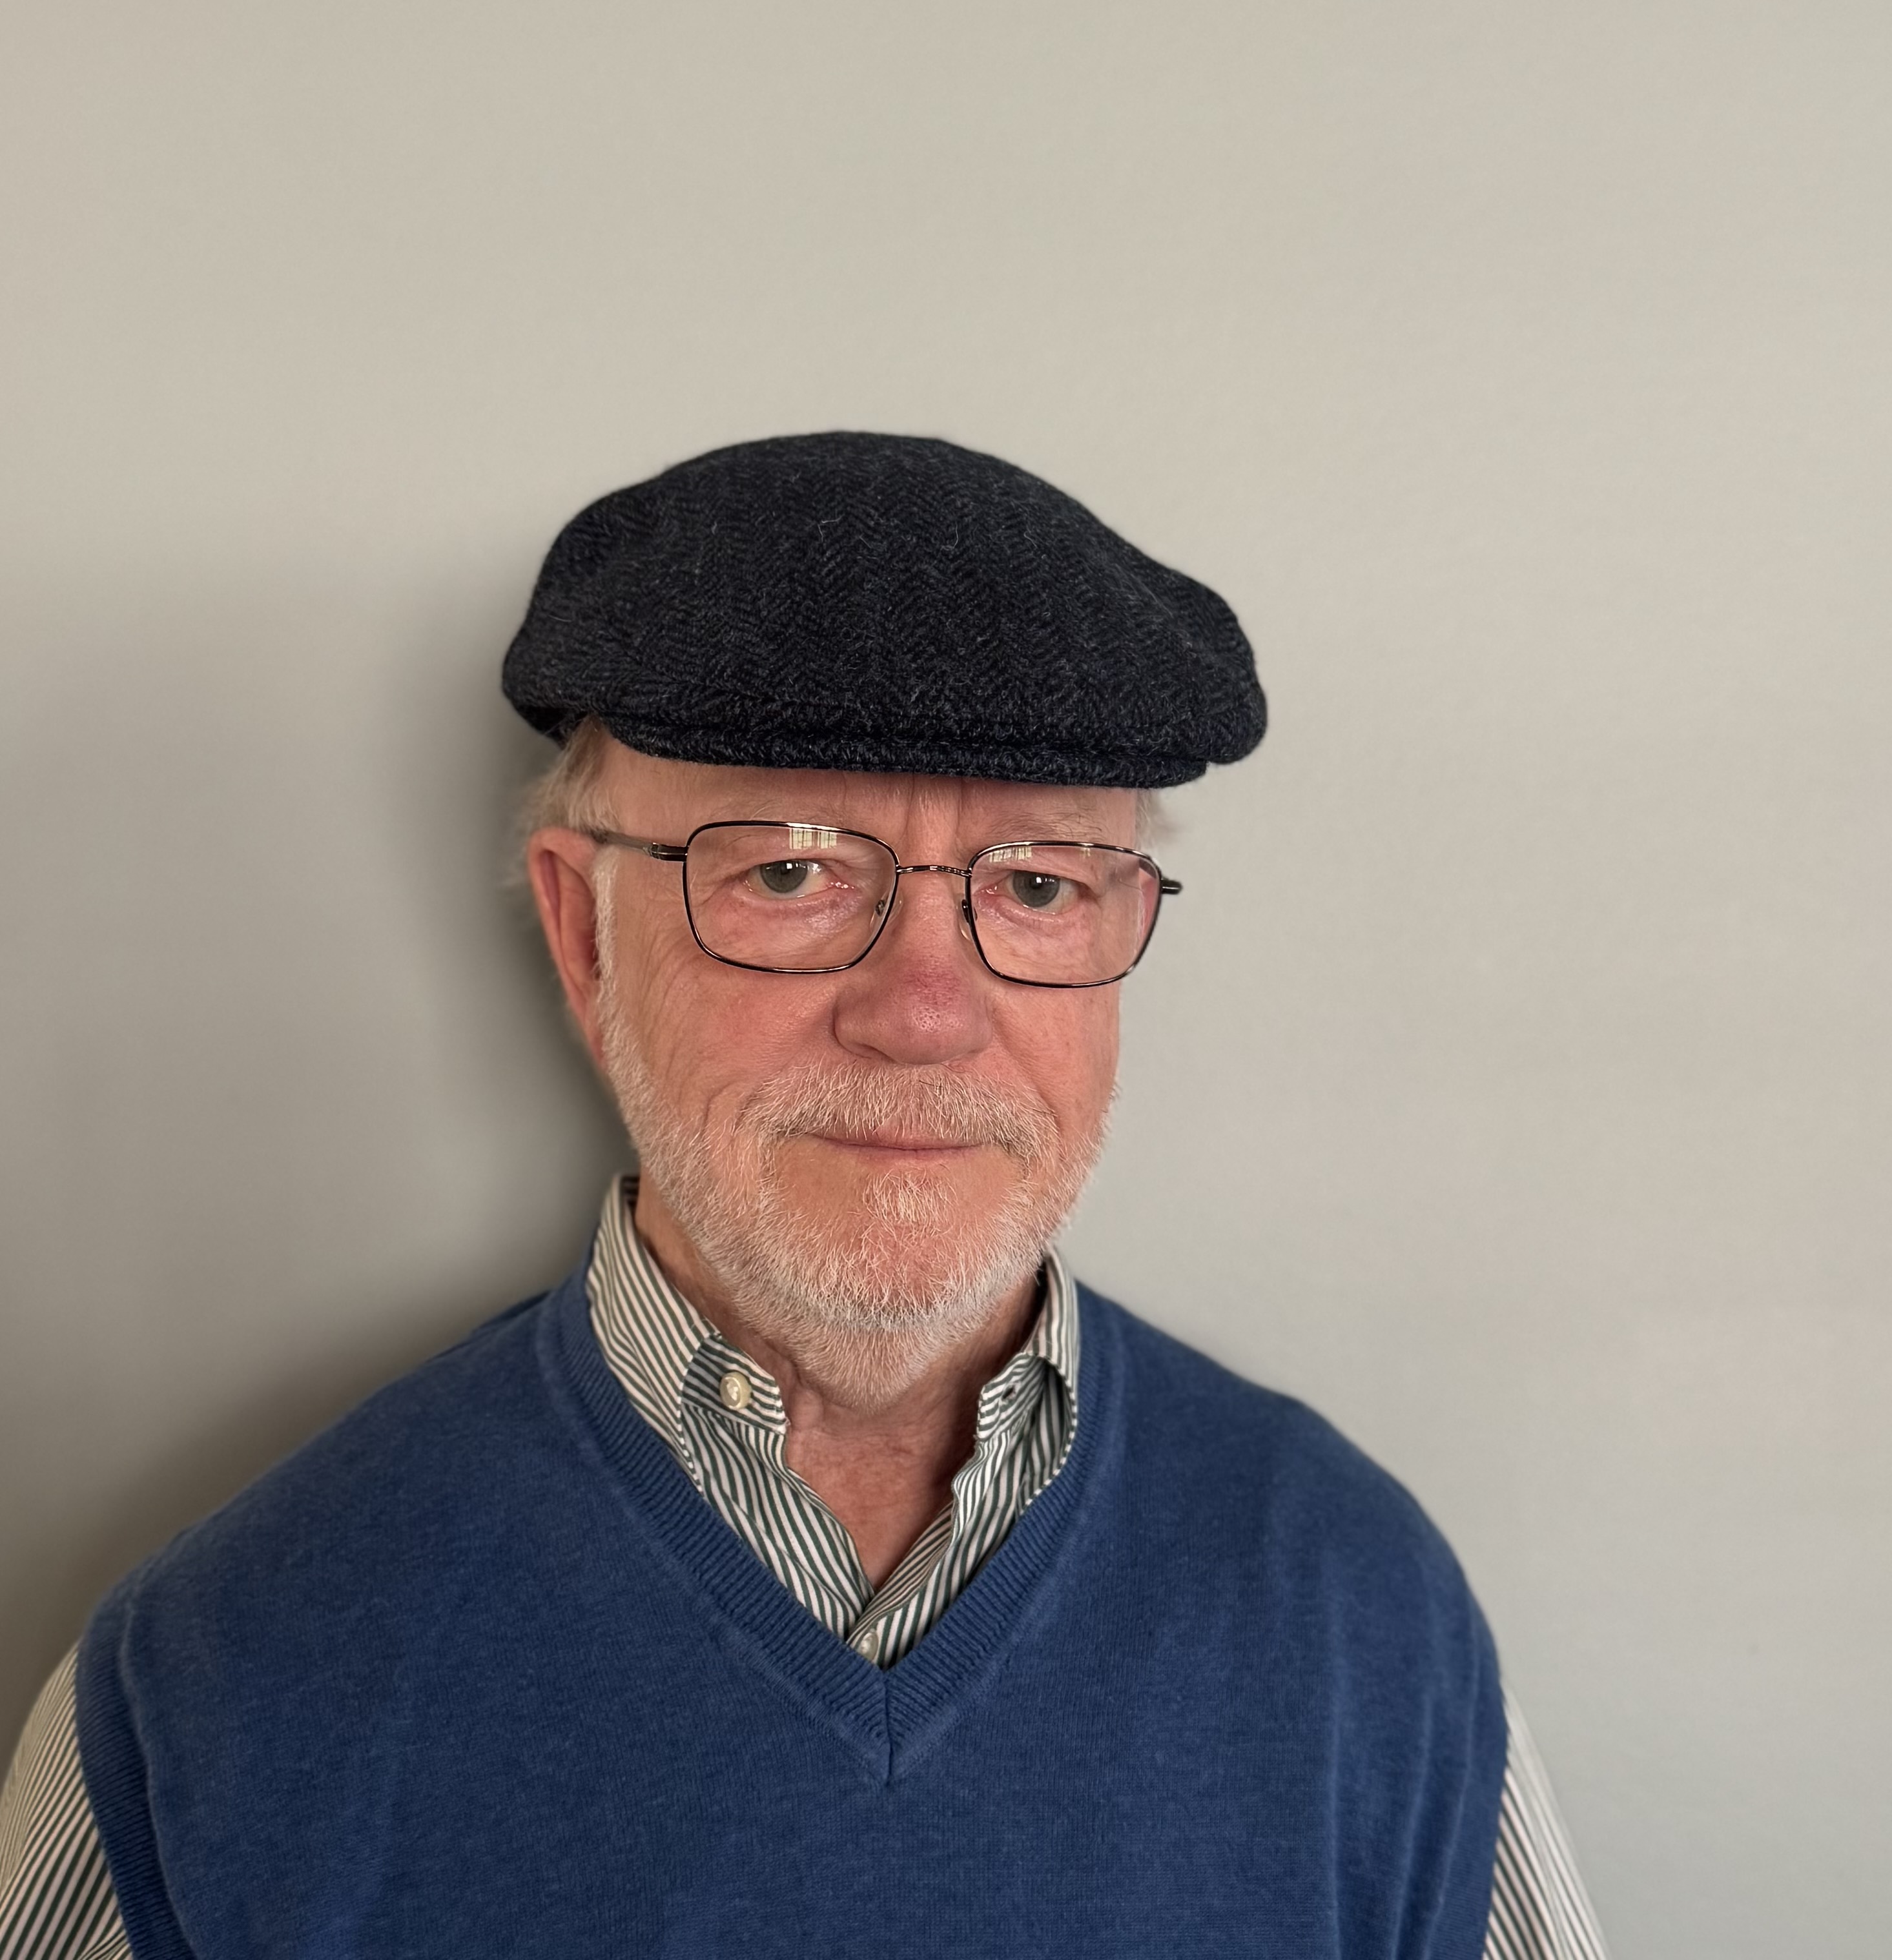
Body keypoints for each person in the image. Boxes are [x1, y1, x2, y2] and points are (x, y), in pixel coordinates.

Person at [0, 433, 1607, 1959]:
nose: (926, 1012)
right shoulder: (215, 1683)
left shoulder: (1358, 1611)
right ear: (580, 937)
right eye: (788, 872)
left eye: (1038, 884)